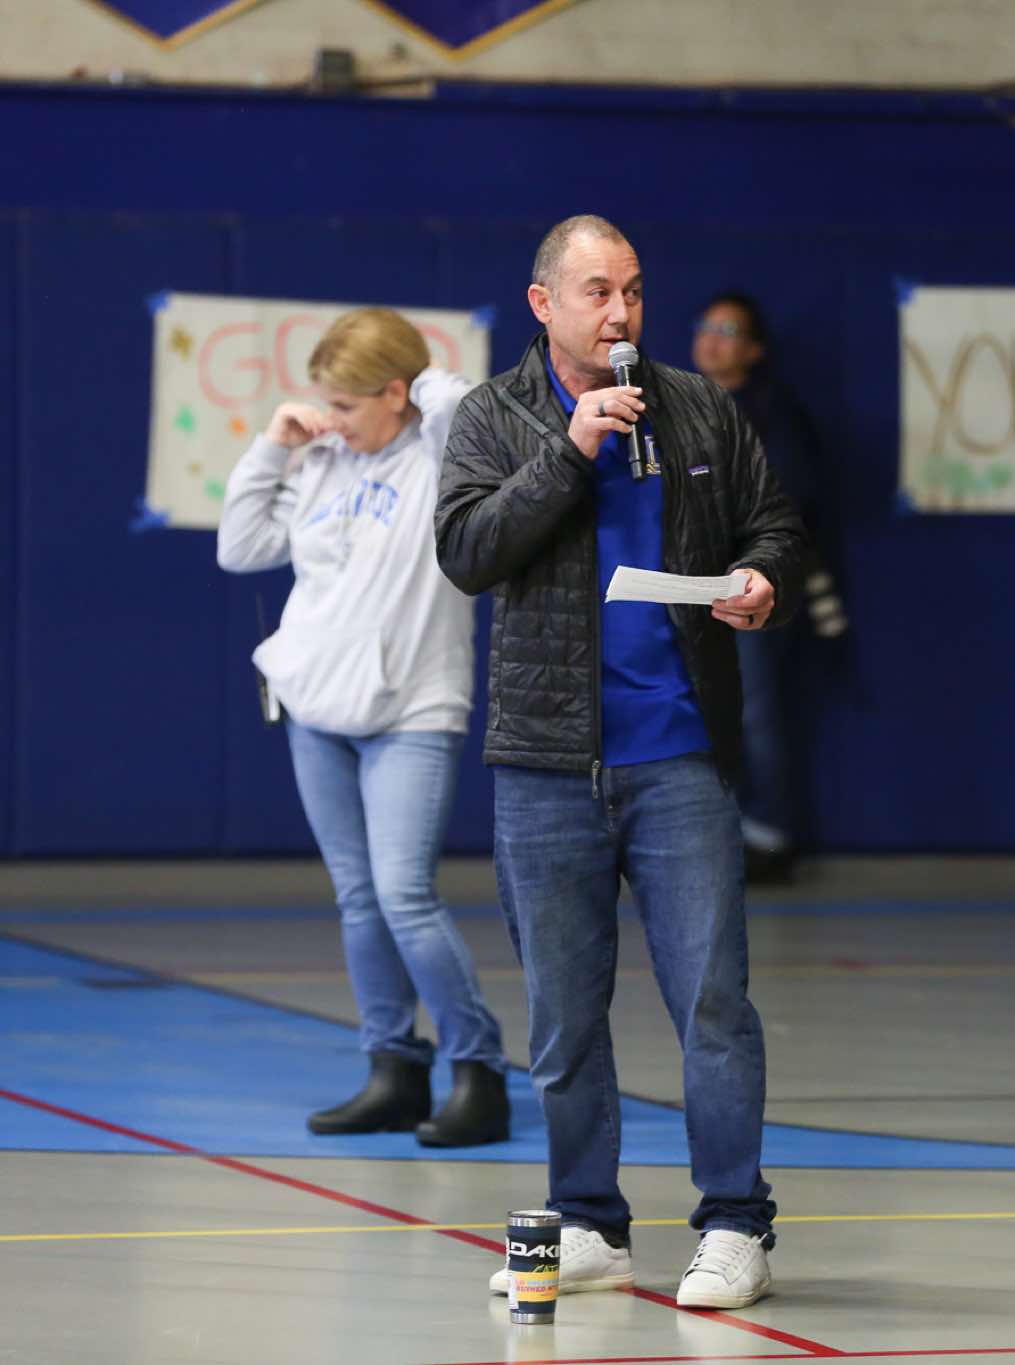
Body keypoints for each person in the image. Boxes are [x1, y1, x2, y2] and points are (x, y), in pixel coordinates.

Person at [432, 216, 807, 1308]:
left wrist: (761, 581)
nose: (621, 312)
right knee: (562, 1014)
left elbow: (773, 526)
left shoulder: (697, 406)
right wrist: (571, 449)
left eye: (633, 291)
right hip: (545, 764)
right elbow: (467, 553)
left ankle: (735, 1224)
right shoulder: (494, 415)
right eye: (597, 291)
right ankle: (590, 1221)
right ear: (543, 303)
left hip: (680, 755)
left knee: (714, 1002)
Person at [216, 307, 509, 1149]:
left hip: (411, 711)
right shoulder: (321, 461)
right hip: (315, 710)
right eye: (326, 403)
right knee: (359, 898)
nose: (331, 419)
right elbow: (241, 546)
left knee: (405, 895)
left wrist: (425, 384)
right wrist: (273, 446)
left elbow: (467, 410)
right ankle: (393, 1068)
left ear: (394, 393)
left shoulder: (443, 461)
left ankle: (478, 1070)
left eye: (346, 404)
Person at [692, 292, 848, 881]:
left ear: (754, 350)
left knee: (754, 711)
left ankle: (769, 833)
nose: (712, 339)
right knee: (702, 712)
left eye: (728, 330)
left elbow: (787, 504)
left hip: (749, 586)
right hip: (691, 588)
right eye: (706, 326)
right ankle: (716, 830)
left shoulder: (773, 415)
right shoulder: (676, 406)